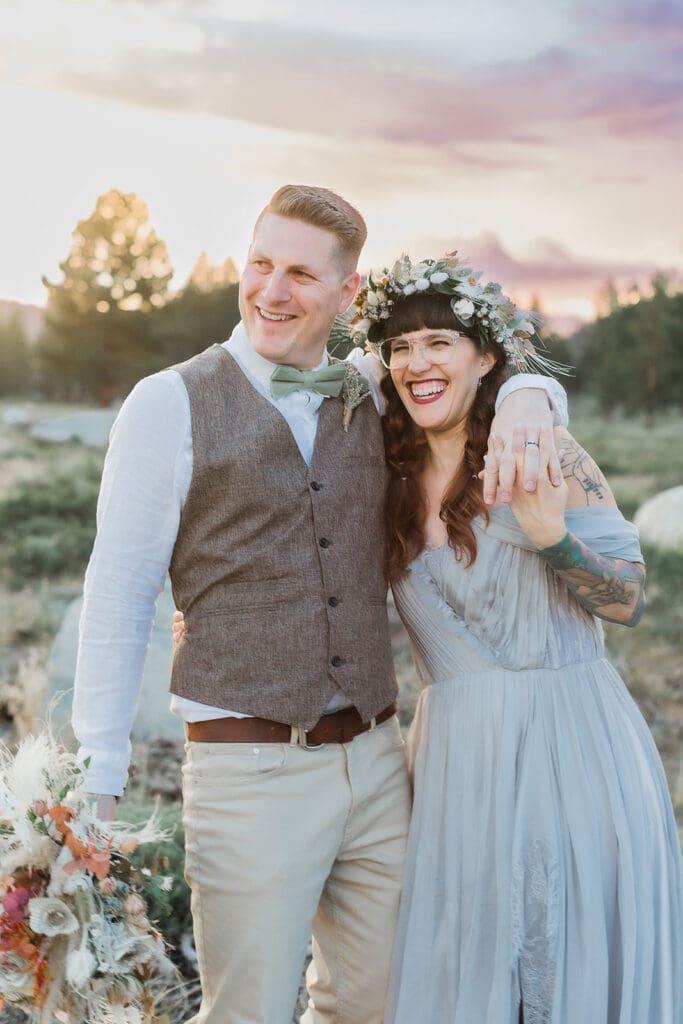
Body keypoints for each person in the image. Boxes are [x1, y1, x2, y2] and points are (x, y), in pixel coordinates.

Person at [72, 185, 568, 1024]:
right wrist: (98, 781)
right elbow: (117, 595)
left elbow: (489, 369)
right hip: (247, 768)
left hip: (378, 765)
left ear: (347, 293)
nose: (272, 290)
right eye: (260, 264)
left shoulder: (374, 392)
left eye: (301, 273)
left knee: (386, 1004)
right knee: (248, 1011)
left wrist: (530, 396)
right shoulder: (168, 402)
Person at [345, 255, 683, 1023]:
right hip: (456, 769)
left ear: (486, 356)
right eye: (400, 348)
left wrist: (550, 536)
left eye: (439, 342)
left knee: (571, 968)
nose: (416, 363)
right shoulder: (384, 479)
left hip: (577, 749)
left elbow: (627, 599)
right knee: (468, 976)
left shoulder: (545, 455)